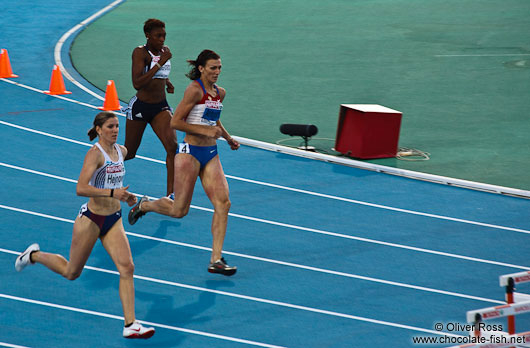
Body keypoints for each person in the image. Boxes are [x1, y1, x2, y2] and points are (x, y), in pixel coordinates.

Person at [15, 112, 155, 339]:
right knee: (72, 272)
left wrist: (125, 196)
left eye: (117, 126)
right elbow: (80, 188)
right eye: (110, 126)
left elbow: (115, 183)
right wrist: (113, 192)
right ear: (99, 130)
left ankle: (130, 324)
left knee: (127, 268)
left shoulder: (122, 151)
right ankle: (34, 255)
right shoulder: (94, 154)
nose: (115, 130)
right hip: (91, 219)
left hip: (113, 219)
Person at [128, 49, 240, 276]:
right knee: (179, 211)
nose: (217, 72)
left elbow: (213, 118)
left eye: (219, 68)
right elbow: (176, 123)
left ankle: (216, 259)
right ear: (201, 68)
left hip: (211, 153)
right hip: (189, 153)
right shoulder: (193, 90)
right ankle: (146, 205)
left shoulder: (220, 92)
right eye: (212, 68)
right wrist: (203, 130)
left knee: (223, 203)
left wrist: (227, 138)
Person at [124, 18, 177, 196]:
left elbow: (159, 74)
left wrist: (167, 82)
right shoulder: (140, 53)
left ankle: (171, 195)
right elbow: (137, 83)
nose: (162, 39)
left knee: (173, 148)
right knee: (129, 153)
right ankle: (101, 165)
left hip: (160, 107)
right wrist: (160, 62)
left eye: (164, 35)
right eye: (158, 36)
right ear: (148, 36)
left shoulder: (165, 51)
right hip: (140, 107)